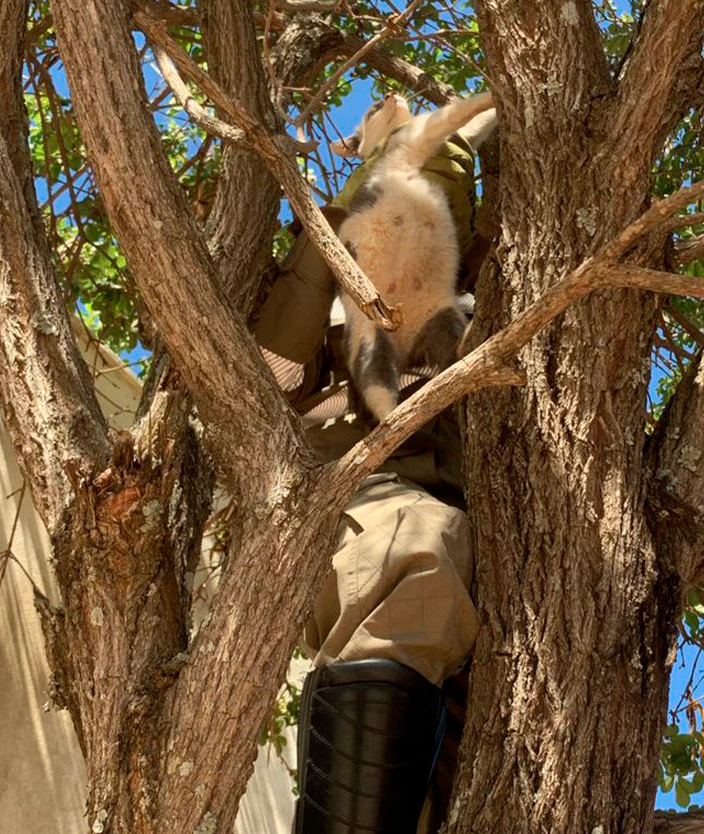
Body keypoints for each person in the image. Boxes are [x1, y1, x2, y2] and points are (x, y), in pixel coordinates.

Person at [248, 112, 490, 834]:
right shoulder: (329, 292)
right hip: (371, 514)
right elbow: (268, 377)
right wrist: (328, 250)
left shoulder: (478, 297)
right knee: (414, 551)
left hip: (471, 578)